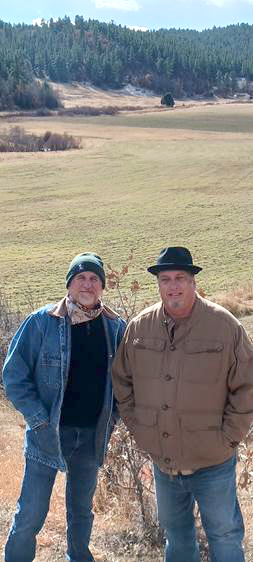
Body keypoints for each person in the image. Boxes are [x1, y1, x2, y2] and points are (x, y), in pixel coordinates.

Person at [112, 246, 253, 562]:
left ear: (193, 282)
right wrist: (141, 430)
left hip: (213, 462)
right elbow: (122, 381)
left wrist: (228, 439)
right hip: (165, 463)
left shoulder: (225, 326)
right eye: (165, 279)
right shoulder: (139, 328)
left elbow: (247, 387)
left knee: (226, 539)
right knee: (176, 541)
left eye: (179, 278)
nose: (172, 286)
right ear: (158, 284)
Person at [3, 252, 125, 562]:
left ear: (102, 286)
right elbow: (13, 376)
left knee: (81, 512)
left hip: (91, 436)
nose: (87, 284)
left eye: (94, 278)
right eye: (81, 278)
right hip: (48, 434)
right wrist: (38, 419)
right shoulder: (42, 322)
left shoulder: (114, 328)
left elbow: (126, 382)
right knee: (31, 511)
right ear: (69, 284)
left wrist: (113, 418)